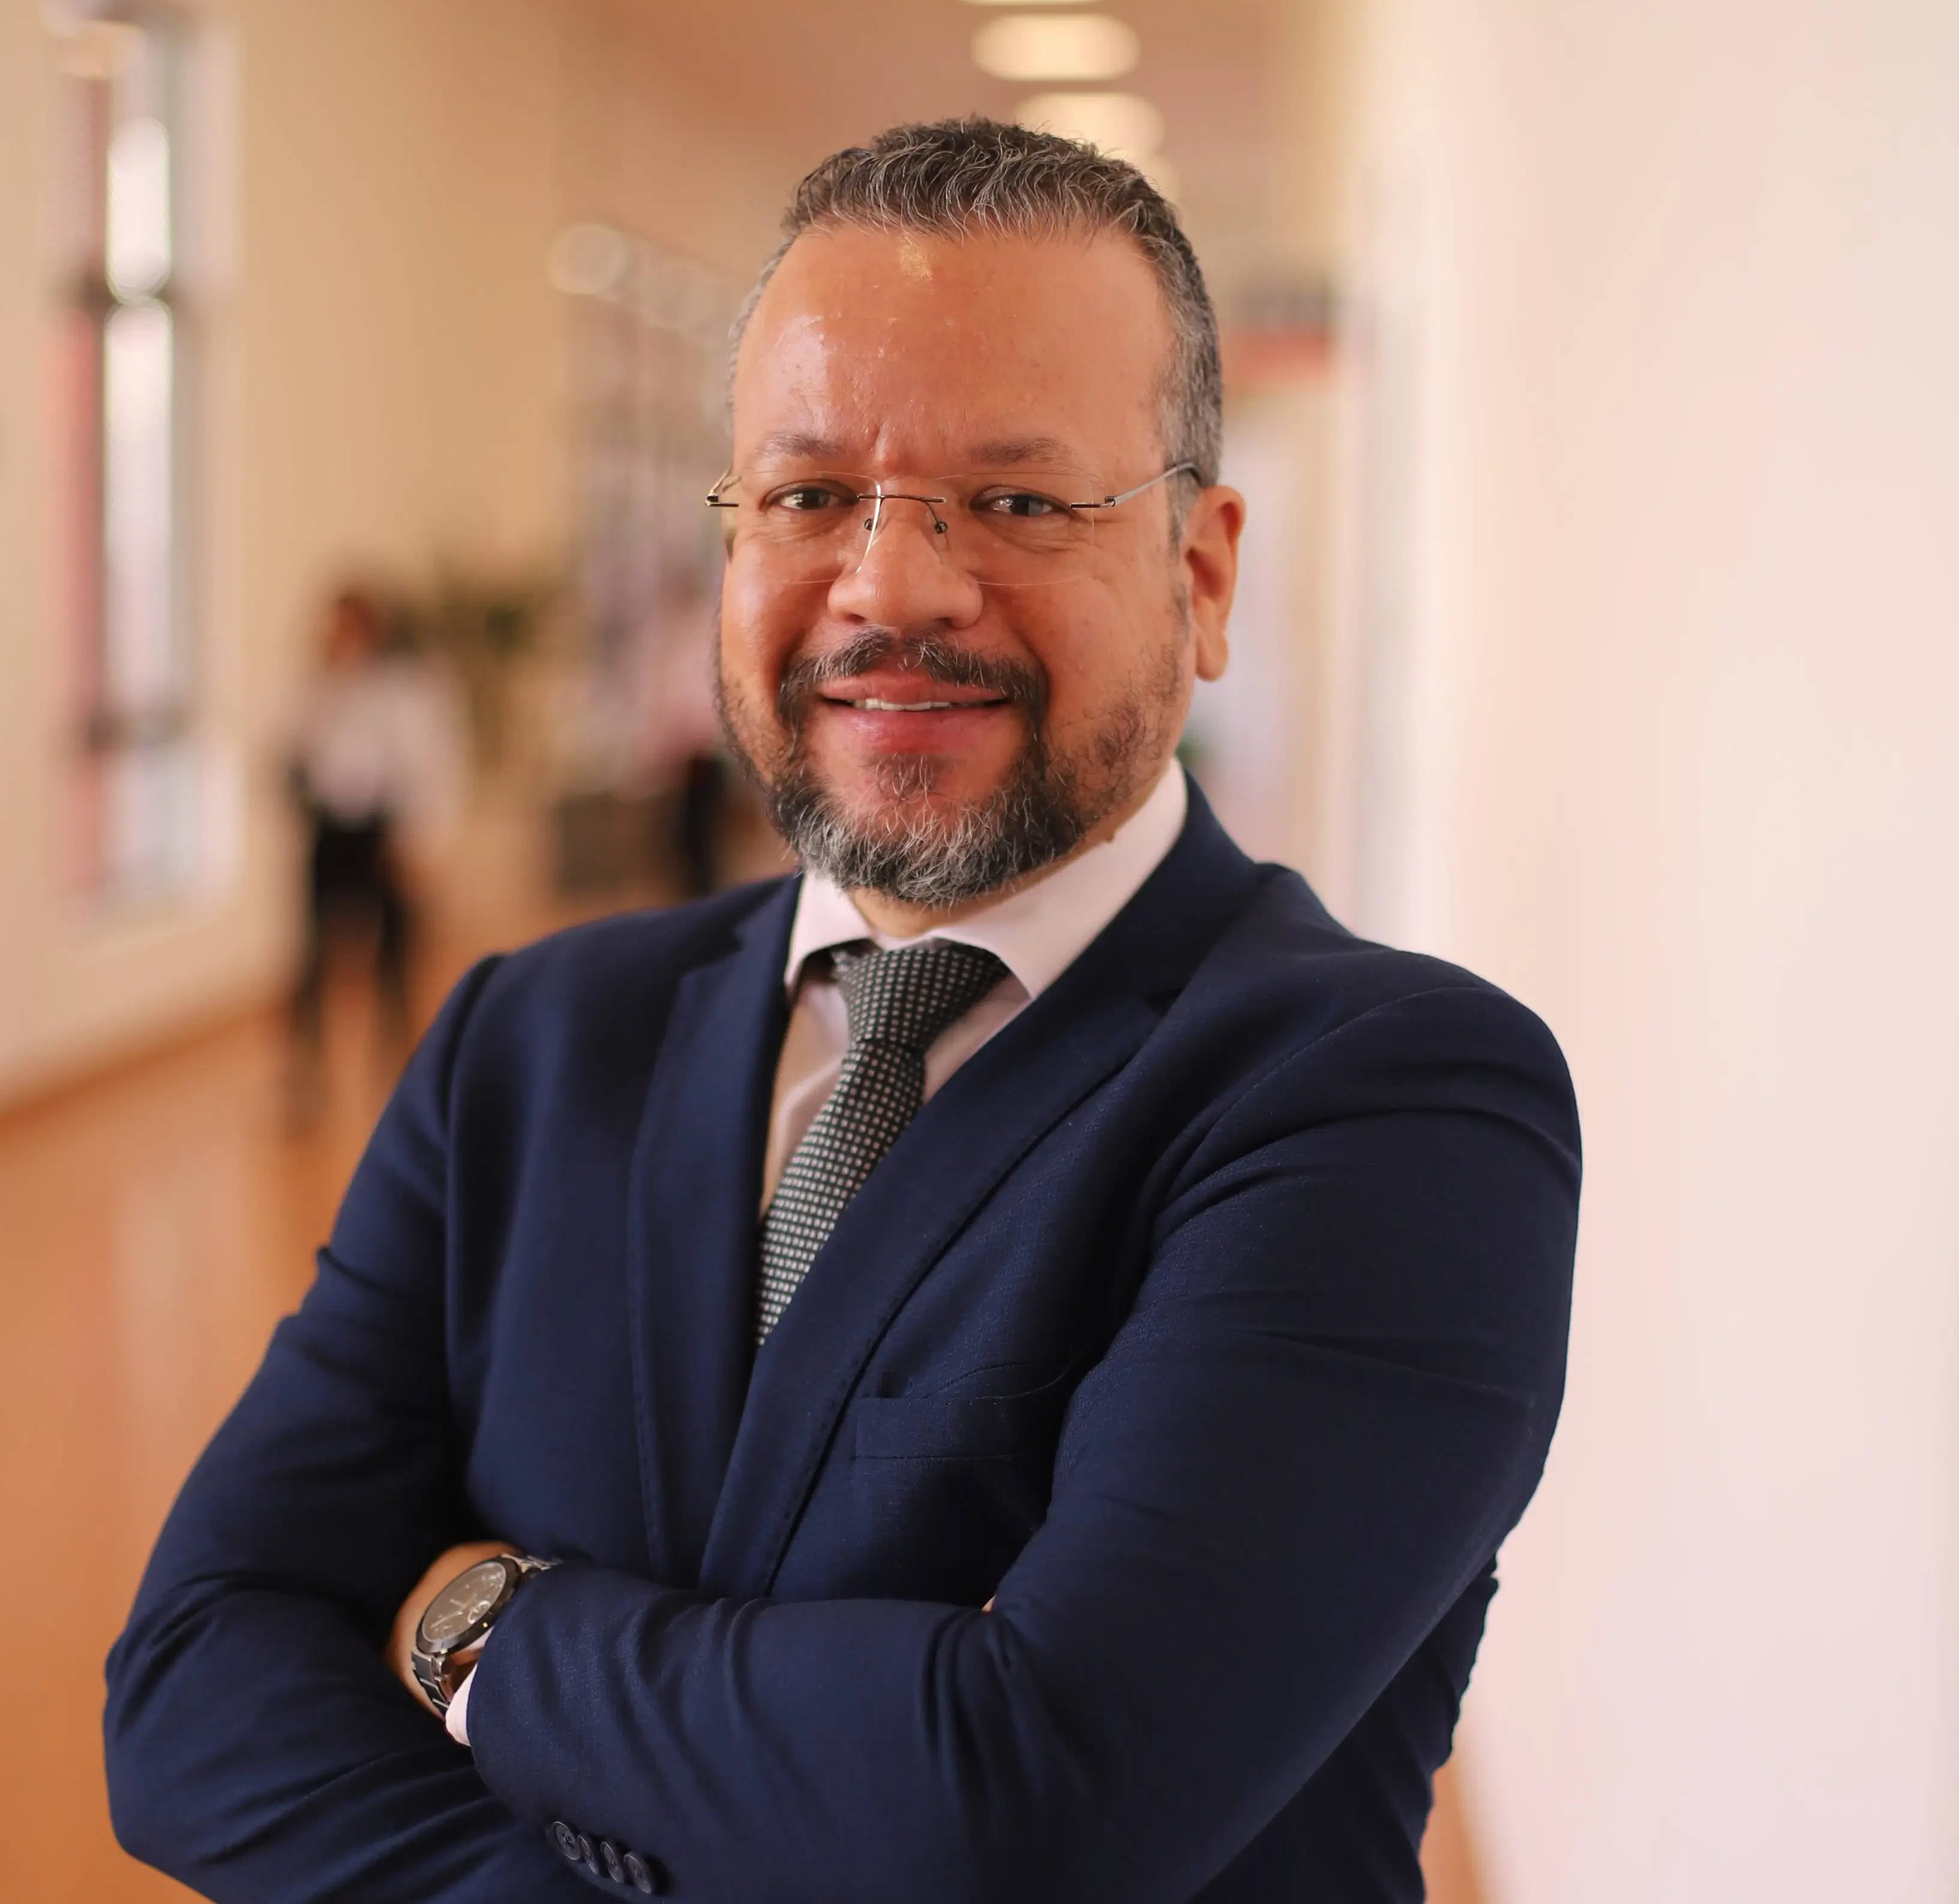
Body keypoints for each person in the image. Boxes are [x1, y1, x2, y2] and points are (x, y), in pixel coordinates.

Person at [106, 120, 1579, 1903]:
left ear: (1200, 571)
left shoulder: (1386, 1103)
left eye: (1020, 500)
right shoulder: (529, 1043)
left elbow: (1028, 1797)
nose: (888, 587)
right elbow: (190, 1673)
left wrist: (471, 1620)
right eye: (807, 496)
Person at [283, 586, 463, 1108]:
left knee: (395, 960)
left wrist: (419, 841)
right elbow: (289, 750)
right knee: (314, 955)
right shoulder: (312, 689)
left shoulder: (405, 691)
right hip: (331, 829)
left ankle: (400, 1066)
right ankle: (307, 1072)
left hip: (384, 833)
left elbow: (430, 768)